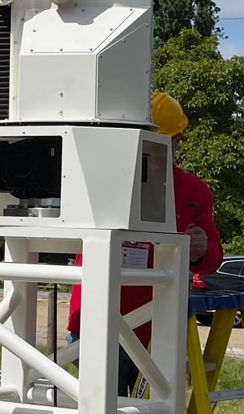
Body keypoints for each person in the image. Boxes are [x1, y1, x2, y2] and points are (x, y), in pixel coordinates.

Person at [65, 92, 224, 384]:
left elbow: (212, 258)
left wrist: (200, 251)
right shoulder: (97, 183)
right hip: (94, 327)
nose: (148, 158)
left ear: (176, 142)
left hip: (157, 336)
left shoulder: (193, 191)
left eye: (157, 147)